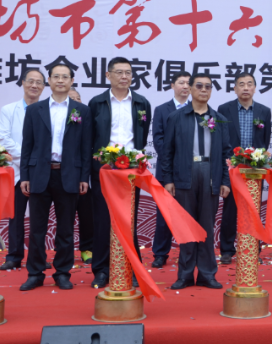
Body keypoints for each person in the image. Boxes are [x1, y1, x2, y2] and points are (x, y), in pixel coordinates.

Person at [19, 65, 91, 291]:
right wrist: (25, 175)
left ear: (72, 81)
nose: (60, 80)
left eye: (65, 77)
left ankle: (62, 273)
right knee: (37, 229)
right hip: (39, 174)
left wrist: (84, 177)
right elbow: (27, 145)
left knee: (66, 229)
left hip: (69, 175)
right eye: (56, 76)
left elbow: (86, 147)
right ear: (48, 81)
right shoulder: (35, 110)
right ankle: (35, 273)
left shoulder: (82, 110)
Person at [162, 73, 231, 290]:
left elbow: (226, 153)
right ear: (190, 89)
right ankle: (184, 274)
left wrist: (225, 180)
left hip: (210, 174)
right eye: (199, 86)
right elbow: (167, 151)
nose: (203, 90)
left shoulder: (219, 119)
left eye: (208, 87)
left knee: (206, 227)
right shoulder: (176, 117)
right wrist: (168, 179)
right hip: (185, 173)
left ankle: (207, 274)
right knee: (186, 227)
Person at [88, 57, 152, 288]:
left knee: (129, 219)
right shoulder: (97, 103)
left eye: (128, 73)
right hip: (105, 169)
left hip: (131, 169)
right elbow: (90, 138)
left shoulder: (142, 102)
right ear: (108, 75)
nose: (124, 77)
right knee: (102, 220)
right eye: (119, 72)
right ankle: (101, 270)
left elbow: (142, 134)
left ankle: (132, 267)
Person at [218, 72, 272, 265]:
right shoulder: (224, 109)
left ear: (255, 88)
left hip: (255, 170)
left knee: (253, 210)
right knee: (230, 210)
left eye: (250, 84)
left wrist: (258, 160)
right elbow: (221, 140)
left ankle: (253, 248)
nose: (246, 87)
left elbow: (265, 141)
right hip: (233, 169)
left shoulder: (264, 111)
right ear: (235, 88)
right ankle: (227, 250)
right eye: (241, 84)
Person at [0, 68, 45, 271]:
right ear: (23, 83)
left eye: (39, 82)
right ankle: (14, 256)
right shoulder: (8, 110)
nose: (34, 85)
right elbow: (5, 140)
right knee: (15, 216)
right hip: (17, 171)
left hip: (42, 172)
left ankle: (37, 258)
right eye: (31, 81)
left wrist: (36, 162)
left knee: (39, 218)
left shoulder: (48, 110)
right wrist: (28, 160)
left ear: (44, 87)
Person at [150, 71, 191, 269]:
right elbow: (158, 138)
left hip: (190, 171)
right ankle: (160, 253)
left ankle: (189, 252)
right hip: (166, 169)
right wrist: (173, 159)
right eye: (181, 82)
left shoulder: (196, 109)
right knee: (164, 215)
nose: (185, 86)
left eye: (188, 83)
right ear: (173, 85)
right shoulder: (161, 110)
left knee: (188, 213)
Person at [68, 87, 94, 265]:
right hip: (64, 175)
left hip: (84, 174)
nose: (75, 102)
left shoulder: (86, 117)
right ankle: (65, 252)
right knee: (65, 217)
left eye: (78, 98)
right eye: (71, 99)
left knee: (86, 216)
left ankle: (87, 249)